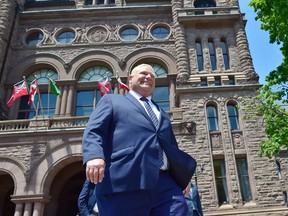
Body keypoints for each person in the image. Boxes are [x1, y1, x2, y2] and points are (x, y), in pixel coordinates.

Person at [82, 63, 197, 216]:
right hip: (126, 179)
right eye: (143, 73)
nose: (149, 77)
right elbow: (94, 130)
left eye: (152, 76)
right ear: (130, 79)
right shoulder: (112, 101)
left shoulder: (161, 113)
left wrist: (180, 176)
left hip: (165, 183)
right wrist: (94, 156)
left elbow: (171, 147)